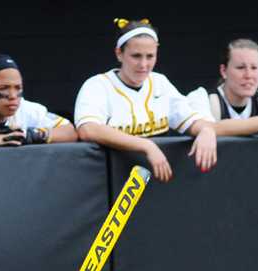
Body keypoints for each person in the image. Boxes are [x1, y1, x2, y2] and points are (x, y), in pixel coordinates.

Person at [73, 18, 218, 182]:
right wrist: (146, 145)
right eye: (136, 56)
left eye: (150, 56)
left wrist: (206, 130)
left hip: (155, 181)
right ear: (119, 53)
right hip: (108, 183)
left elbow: (190, 120)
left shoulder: (160, 83)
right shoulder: (98, 85)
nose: (143, 64)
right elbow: (88, 129)